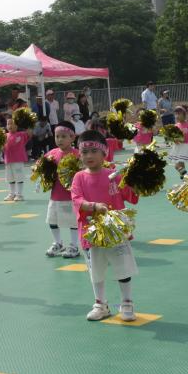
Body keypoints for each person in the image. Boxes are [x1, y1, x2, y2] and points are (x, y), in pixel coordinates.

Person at [70, 129, 141, 322]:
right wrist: (93, 207)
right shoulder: (79, 177)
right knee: (96, 271)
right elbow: (76, 200)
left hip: (116, 232)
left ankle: (127, 303)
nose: (89, 156)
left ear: (104, 153)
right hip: (91, 233)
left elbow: (131, 196)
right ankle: (100, 304)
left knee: (123, 268)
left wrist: (136, 181)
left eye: (94, 151)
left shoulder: (115, 175)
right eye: (84, 152)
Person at [42, 122, 80, 259]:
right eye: (57, 136)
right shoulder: (52, 153)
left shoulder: (77, 154)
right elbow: (42, 166)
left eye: (64, 136)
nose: (60, 139)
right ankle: (58, 243)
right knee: (52, 220)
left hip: (71, 197)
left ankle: (74, 246)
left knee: (72, 221)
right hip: (55, 195)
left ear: (72, 137)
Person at [3, 117, 30, 202]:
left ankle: (19, 195)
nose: (10, 125)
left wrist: (29, 122)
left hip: (18, 160)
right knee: (10, 178)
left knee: (19, 177)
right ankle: (12, 194)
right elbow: (0, 146)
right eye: (8, 124)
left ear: (17, 125)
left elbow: (30, 133)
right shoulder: (4, 136)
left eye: (12, 123)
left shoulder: (21, 134)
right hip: (8, 160)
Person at [170, 106, 188, 179]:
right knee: (181, 165)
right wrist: (174, 139)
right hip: (177, 147)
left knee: (177, 165)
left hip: (185, 147)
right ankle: (185, 178)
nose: (177, 116)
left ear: (184, 115)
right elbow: (172, 137)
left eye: (179, 114)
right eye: (176, 114)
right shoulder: (175, 125)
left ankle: (185, 176)